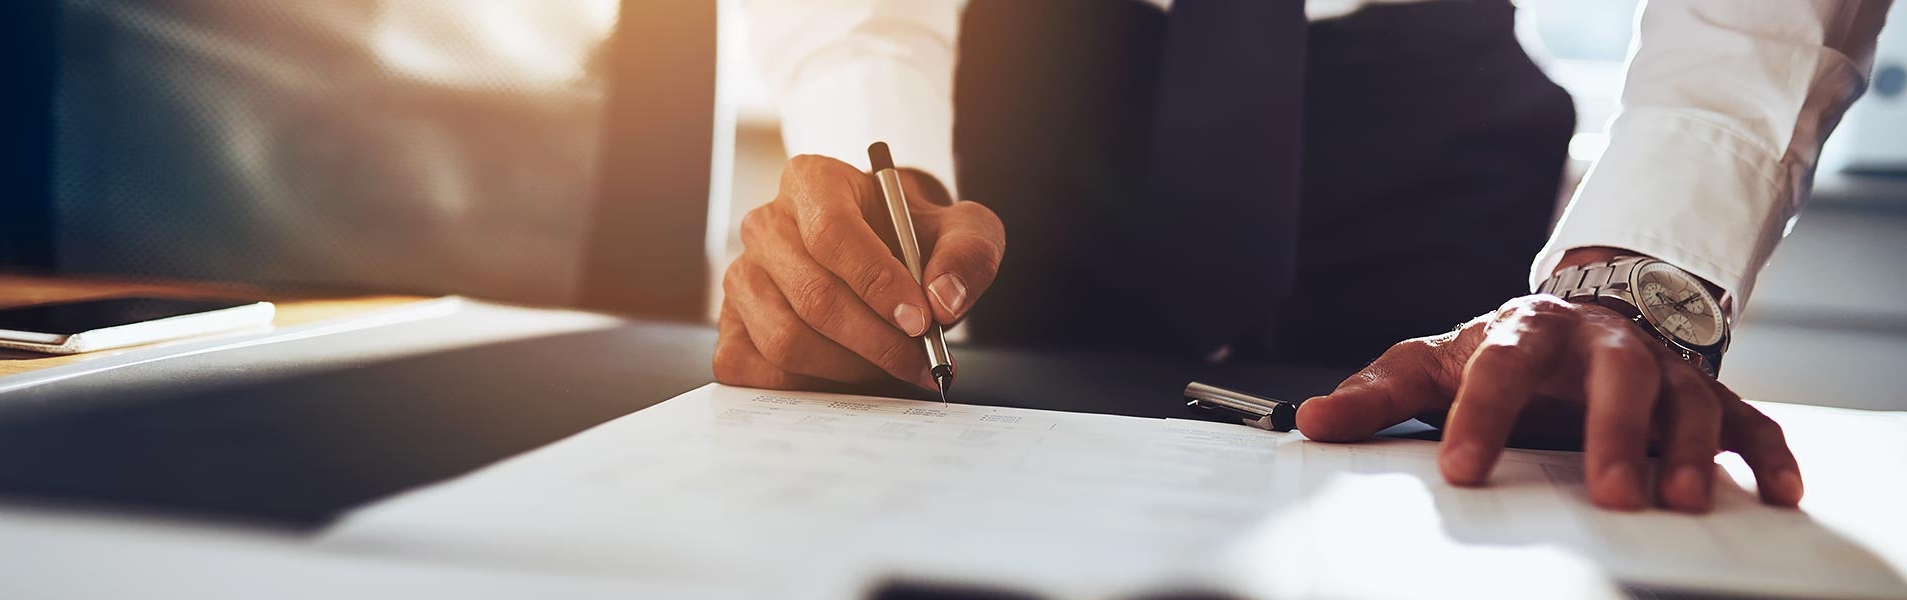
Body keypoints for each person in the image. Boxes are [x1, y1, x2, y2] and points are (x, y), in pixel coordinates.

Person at [716, 0, 1892, 513]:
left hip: (1429, 109)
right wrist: (882, 172)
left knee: (1469, 504)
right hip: (1040, 93)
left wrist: (1636, 265)